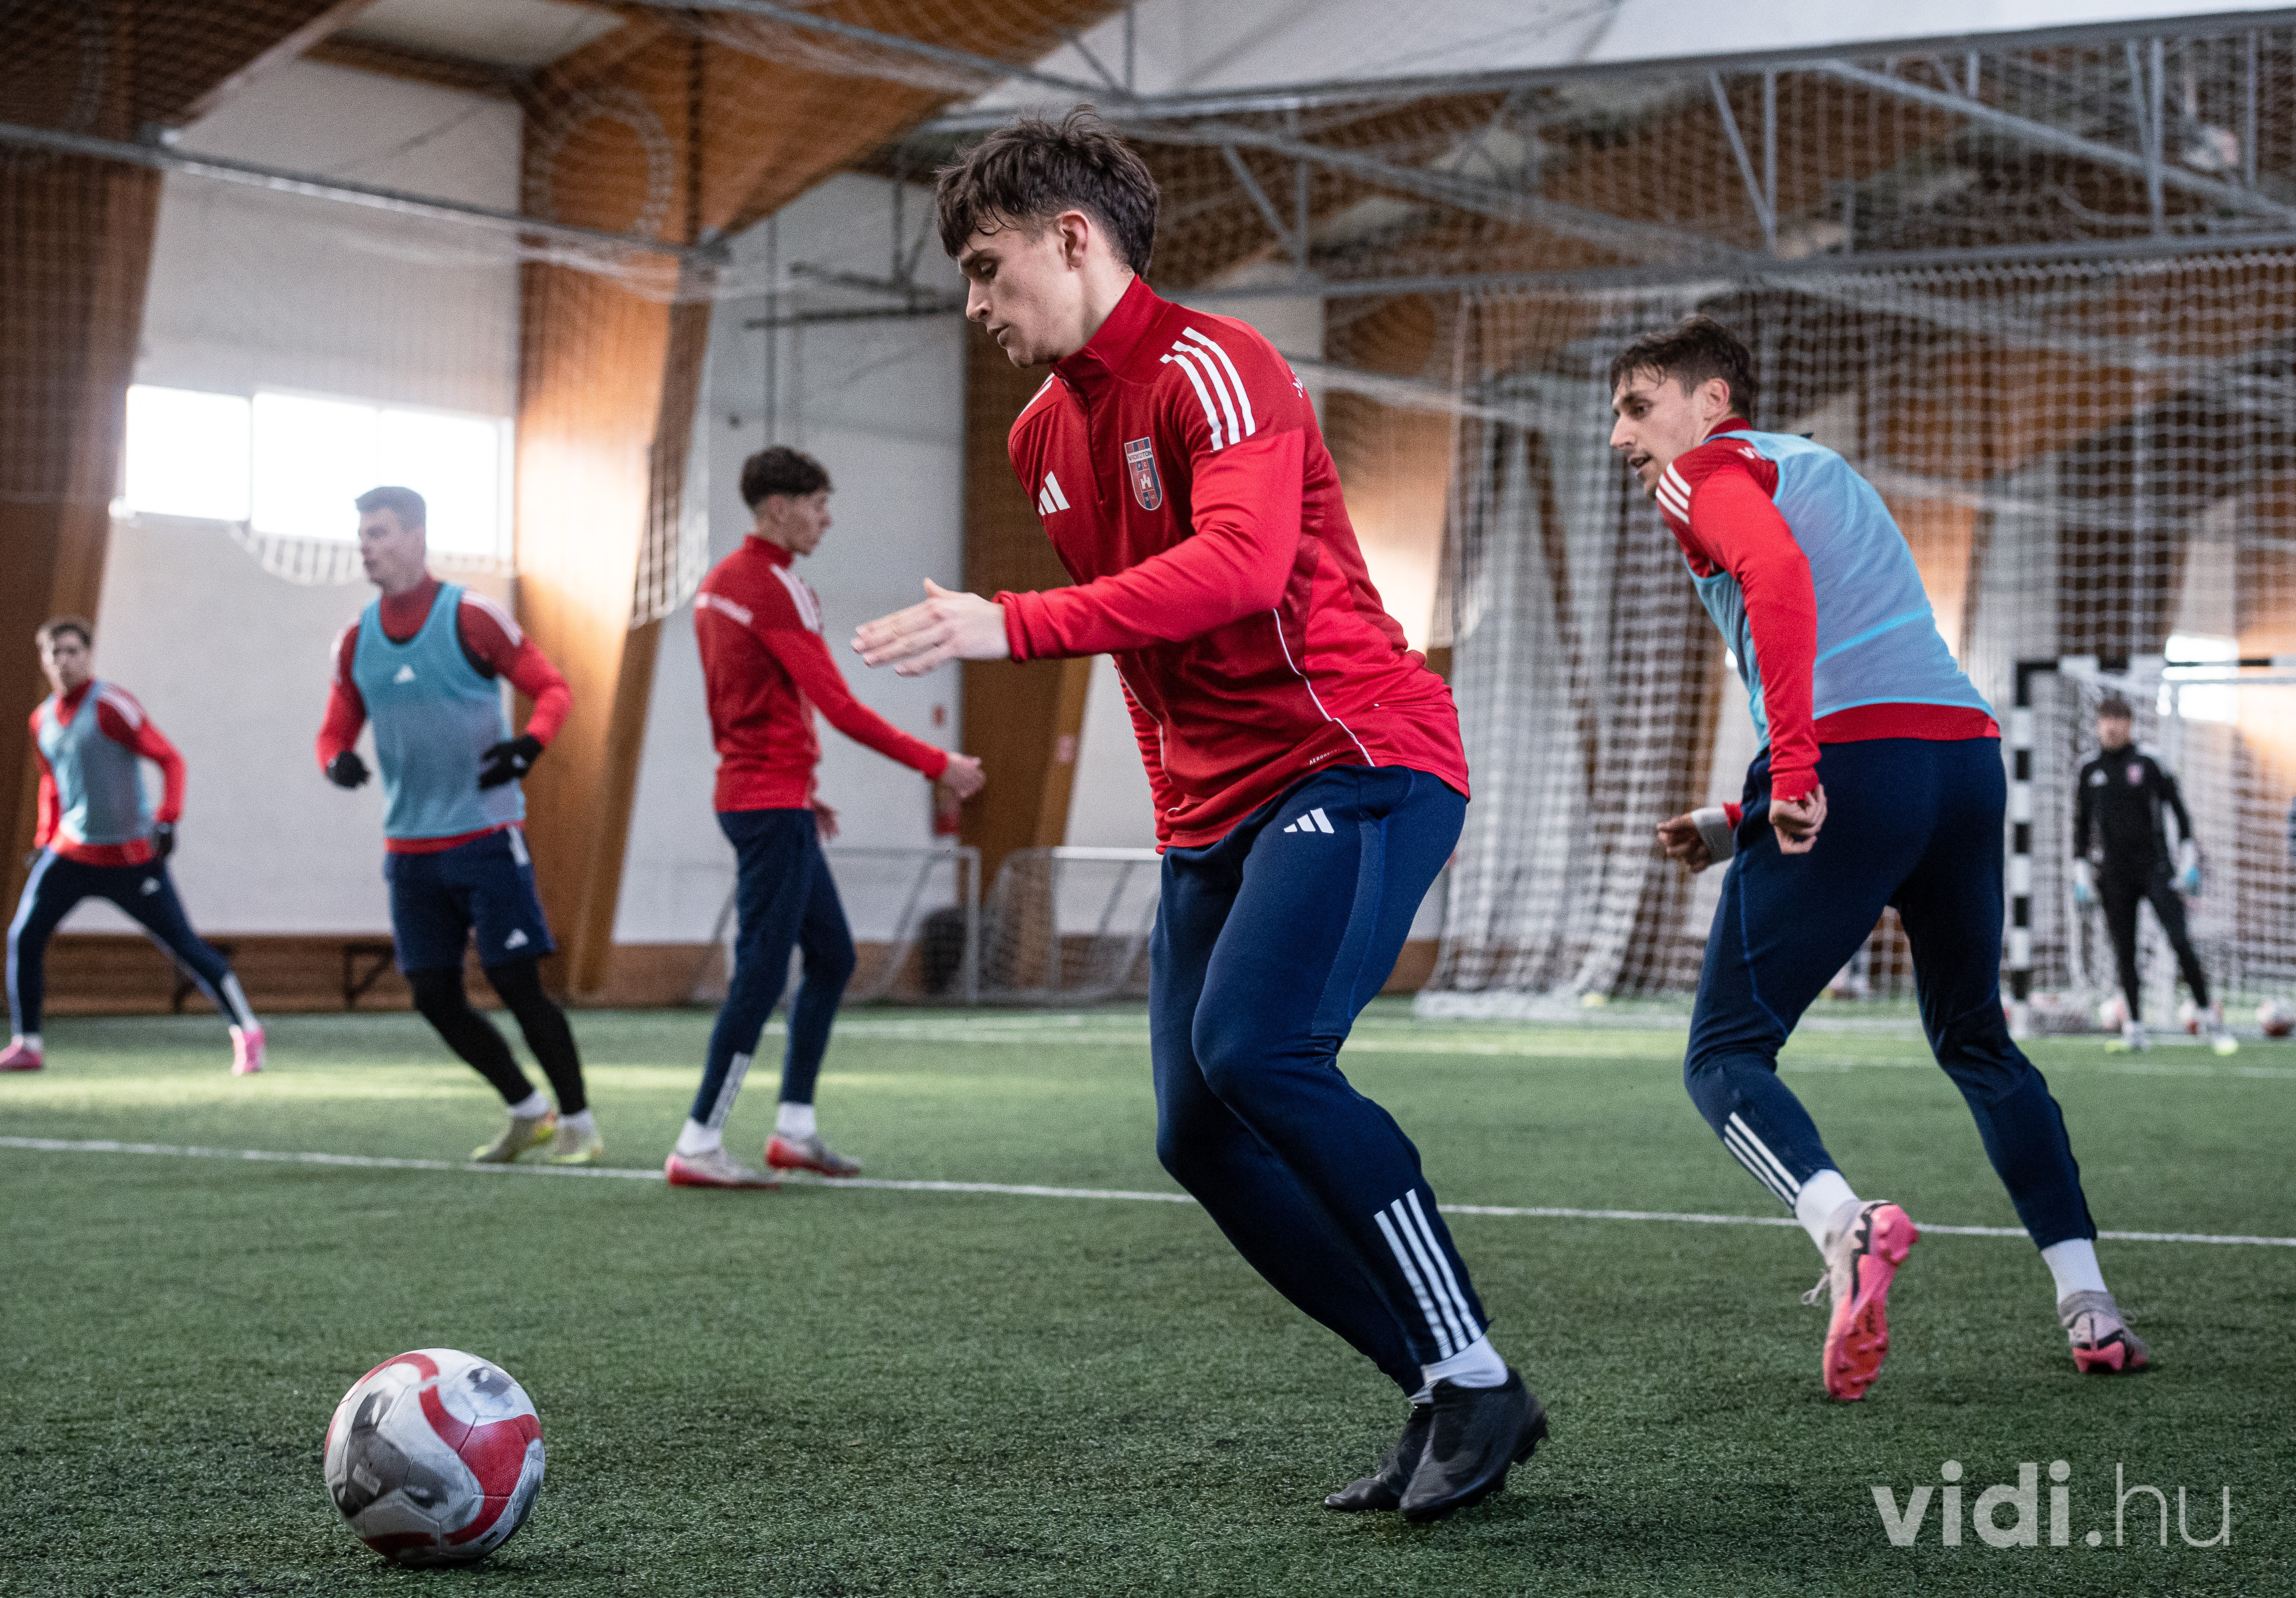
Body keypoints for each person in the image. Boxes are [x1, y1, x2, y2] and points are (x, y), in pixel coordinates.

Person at [852, 110, 1543, 1522]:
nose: (976, 306)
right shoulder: (1041, 436)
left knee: (1259, 1051)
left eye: (985, 269)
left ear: (1073, 238)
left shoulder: (1217, 366)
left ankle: (1475, 1374)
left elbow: (1236, 569)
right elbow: (1147, 658)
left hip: (1356, 758)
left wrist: (1009, 622)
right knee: (1198, 1134)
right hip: (1213, 811)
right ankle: (1442, 1386)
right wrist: (1179, 826)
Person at [1628, 316, 2148, 1390]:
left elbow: (1779, 579)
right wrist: (1740, 814)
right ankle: (2089, 1303)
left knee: (1724, 1055)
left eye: (1639, 408)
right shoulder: (1822, 467)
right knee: (1979, 1042)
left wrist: (1796, 769)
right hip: (1962, 766)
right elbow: (1884, 678)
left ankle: (1844, 1224)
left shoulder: (1702, 474)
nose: (1622, 437)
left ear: (1712, 401)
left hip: (1853, 765)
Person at [666, 447, 987, 1189]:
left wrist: (798, 785)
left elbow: (743, 704)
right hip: (768, 803)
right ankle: (698, 1140)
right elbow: (838, 707)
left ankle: (795, 1129)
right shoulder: (777, 588)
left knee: (834, 957)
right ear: (779, 508)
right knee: (760, 975)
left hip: (765, 796)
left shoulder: (718, 585)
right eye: (818, 504)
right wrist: (936, 762)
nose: (827, 519)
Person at [317, 486, 600, 1165]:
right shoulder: (355, 639)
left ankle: (579, 1123)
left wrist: (529, 746)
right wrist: (335, 762)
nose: (366, 546)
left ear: (417, 537)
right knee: (433, 996)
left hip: (485, 838)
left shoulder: (473, 616)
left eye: (380, 533)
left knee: (517, 985)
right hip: (410, 850)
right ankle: (526, 1109)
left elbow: (553, 688)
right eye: (362, 534)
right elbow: (333, 730)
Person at [0, 617, 265, 1075]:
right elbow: (52, 783)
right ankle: (27, 1045)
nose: (64, 660)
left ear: (88, 655)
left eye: (72, 651)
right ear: (44, 661)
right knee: (24, 937)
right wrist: (43, 837)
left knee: (184, 946)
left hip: (131, 860)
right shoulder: (42, 720)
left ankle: (247, 1032)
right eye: (55, 653)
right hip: (69, 854)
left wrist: (168, 819)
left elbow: (171, 760)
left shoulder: (112, 706)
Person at [2072, 695, 2231, 1054]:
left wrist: (2188, 861)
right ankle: (2135, 1028)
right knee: (2124, 951)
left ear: (2129, 724)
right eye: (2105, 720)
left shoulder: (2150, 762)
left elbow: (2181, 813)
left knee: (2180, 940)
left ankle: (2209, 1019)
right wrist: (2080, 872)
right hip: (2113, 875)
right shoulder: (2088, 769)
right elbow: (2081, 826)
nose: (2111, 727)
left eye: (2118, 720)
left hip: (2156, 869)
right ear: (2098, 725)